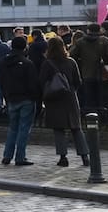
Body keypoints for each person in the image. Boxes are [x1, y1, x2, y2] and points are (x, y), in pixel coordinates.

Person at [39, 35, 90, 167]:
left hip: (54, 99)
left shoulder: (47, 63)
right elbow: (78, 81)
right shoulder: (71, 62)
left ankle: (63, 157)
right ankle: (85, 156)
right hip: (70, 98)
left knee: (59, 129)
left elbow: (42, 82)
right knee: (76, 128)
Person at [0, 36, 40, 166]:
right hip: (26, 99)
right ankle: (20, 157)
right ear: (24, 47)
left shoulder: (4, 62)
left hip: (11, 98)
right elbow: (33, 84)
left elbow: (2, 81)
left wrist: (6, 96)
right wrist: (35, 98)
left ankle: (7, 155)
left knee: (12, 128)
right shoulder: (28, 63)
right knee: (24, 129)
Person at [70, 23, 108, 115]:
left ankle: (90, 117)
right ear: (99, 30)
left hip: (86, 73)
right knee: (103, 96)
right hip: (103, 74)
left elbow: (72, 55)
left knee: (88, 97)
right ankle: (103, 116)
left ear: (88, 30)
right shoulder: (105, 41)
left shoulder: (80, 42)